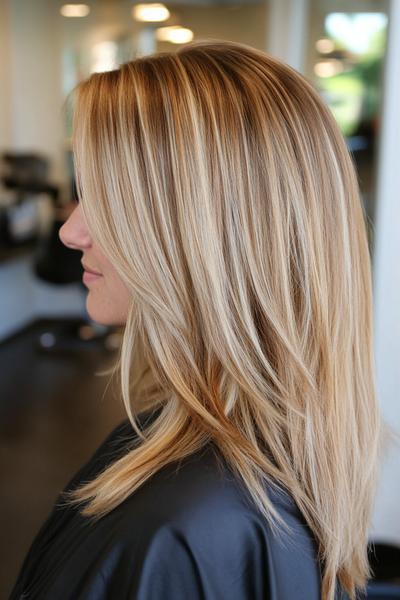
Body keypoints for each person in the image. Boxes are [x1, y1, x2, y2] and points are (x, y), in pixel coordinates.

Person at [10, 40, 382, 600]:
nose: (70, 231)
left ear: (197, 232)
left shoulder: (177, 531)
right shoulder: (222, 475)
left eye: (106, 197)